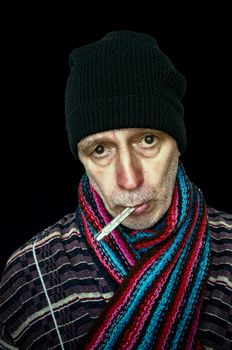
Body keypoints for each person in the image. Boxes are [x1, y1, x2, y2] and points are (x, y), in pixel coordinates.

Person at [0, 30, 231, 350]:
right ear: (81, 158)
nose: (129, 180)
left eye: (148, 140)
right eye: (100, 150)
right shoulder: (27, 274)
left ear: (177, 144)